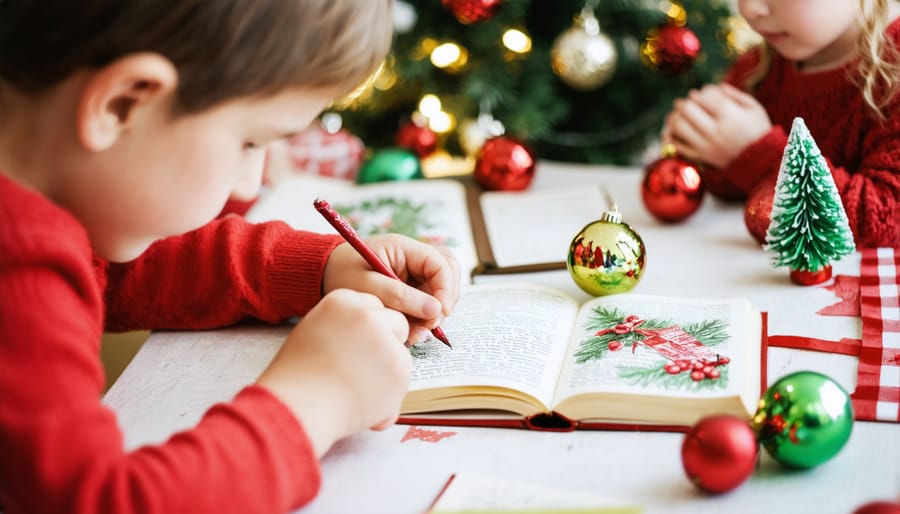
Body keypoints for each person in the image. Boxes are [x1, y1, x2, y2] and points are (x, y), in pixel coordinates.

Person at [0, 1, 461, 513]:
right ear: (122, 105)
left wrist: (320, 268)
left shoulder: (50, 204)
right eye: (249, 141)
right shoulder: (16, 265)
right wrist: (315, 403)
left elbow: (122, 272)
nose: (252, 180)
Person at [663, 0, 900, 247]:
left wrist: (759, 154)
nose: (750, 9)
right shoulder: (760, 68)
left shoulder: (893, 71)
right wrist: (706, 142)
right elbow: (732, 189)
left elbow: (884, 220)